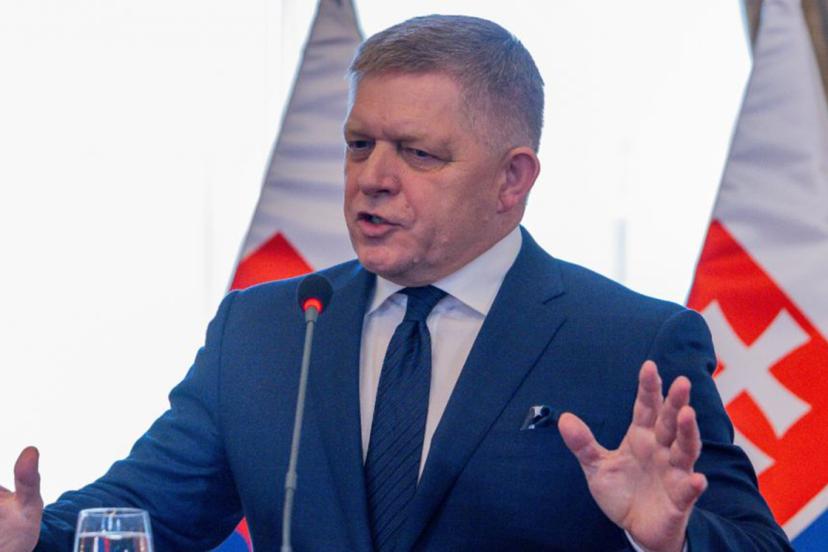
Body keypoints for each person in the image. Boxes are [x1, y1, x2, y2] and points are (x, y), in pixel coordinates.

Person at [1, 15, 791, 552]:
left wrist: (673, 541)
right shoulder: (268, 329)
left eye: (417, 153)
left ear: (512, 179)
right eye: (359, 145)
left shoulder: (629, 342)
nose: (372, 178)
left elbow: (752, 542)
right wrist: (31, 537)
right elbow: (145, 515)